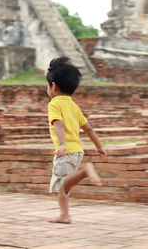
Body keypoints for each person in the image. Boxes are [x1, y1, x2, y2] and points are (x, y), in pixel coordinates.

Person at [46, 56, 107, 224]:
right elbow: (89, 128)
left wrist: (63, 144)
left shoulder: (54, 104)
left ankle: (86, 171)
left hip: (66, 152)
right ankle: (64, 215)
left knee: (61, 185)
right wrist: (99, 147)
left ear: (53, 86)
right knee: (63, 188)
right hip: (78, 152)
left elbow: (58, 123)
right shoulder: (74, 106)